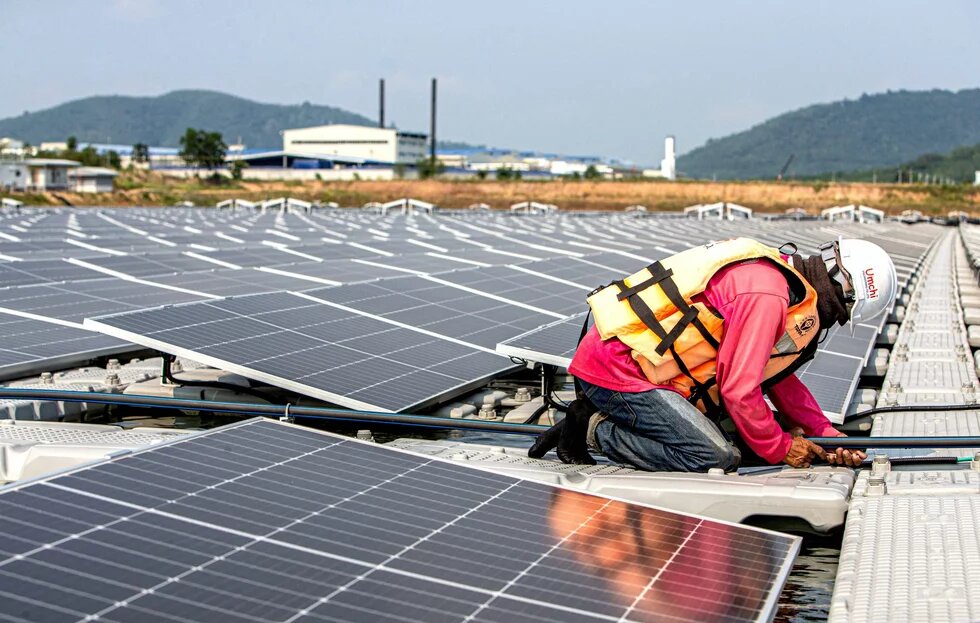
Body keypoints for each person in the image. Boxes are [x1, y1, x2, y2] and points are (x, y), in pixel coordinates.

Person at [530, 237, 897, 472]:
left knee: (752, 436)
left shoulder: (783, 278)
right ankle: (594, 428)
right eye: (844, 315)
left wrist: (824, 434)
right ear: (847, 300)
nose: (834, 321)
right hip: (620, 374)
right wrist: (781, 447)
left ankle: (609, 420)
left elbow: (776, 375)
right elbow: (739, 389)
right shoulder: (767, 297)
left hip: (644, 371)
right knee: (716, 456)